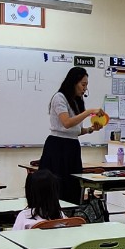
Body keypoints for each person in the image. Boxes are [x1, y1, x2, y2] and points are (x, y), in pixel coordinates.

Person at [38, 67, 102, 204]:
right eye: (83, 84)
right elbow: (66, 123)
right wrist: (89, 112)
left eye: (86, 85)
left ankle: (71, 213)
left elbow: (75, 130)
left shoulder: (76, 100)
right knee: (58, 185)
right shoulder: (59, 98)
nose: (85, 89)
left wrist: (90, 129)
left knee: (73, 185)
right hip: (57, 146)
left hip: (72, 146)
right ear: (73, 82)